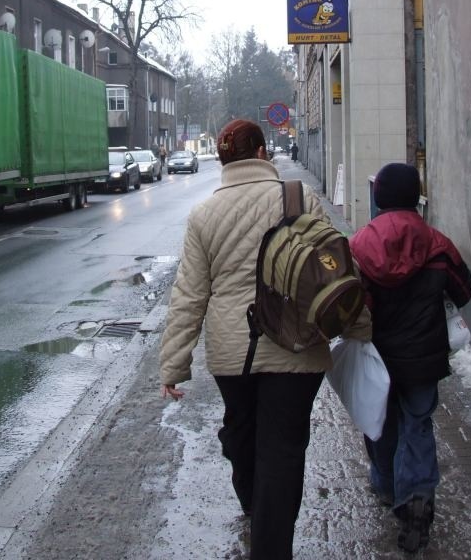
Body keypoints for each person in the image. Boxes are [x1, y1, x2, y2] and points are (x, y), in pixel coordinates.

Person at [159, 118, 371, 559]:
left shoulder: (203, 215)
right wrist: (360, 327)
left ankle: (256, 507)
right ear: (261, 153)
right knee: (283, 449)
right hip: (298, 345)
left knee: (242, 433)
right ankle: (272, 539)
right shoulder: (298, 197)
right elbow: (336, 267)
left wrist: (174, 364)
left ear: (223, 160)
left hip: (230, 355)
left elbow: (190, 295)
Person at [349, 163, 471, 553]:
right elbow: (464, 290)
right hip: (423, 356)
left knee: (382, 423)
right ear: (414, 196)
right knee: (418, 424)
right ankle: (417, 494)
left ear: (379, 197)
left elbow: (352, 304)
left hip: (378, 355)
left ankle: (388, 487)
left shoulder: (358, 245)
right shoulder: (437, 243)